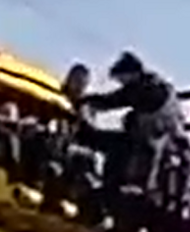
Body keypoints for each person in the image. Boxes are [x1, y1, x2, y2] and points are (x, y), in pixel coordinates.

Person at [78, 51, 182, 193]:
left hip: (153, 139)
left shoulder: (147, 90)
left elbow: (113, 100)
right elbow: (113, 100)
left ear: (132, 74)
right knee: (117, 143)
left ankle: (112, 187)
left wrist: (86, 101)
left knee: (116, 146)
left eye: (121, 78)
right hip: (155, 137)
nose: (120, 82)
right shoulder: (152, 85)